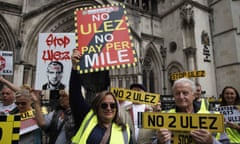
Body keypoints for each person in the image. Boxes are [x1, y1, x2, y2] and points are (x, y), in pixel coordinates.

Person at [70, 50, 133, 144]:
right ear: (97, 106)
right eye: (104, 105)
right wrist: (75, 68)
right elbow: (75, 95)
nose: (109, 108)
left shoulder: (125, 131)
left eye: (112, 105)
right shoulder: (87, 117)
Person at [153, 78, 229, 144]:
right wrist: (159, 142)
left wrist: (212, 141)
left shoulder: (214, 116)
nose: (181, 97)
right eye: (177, 93)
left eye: (185, 93)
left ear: (194, 95)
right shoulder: (162, 116)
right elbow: (153, 140)